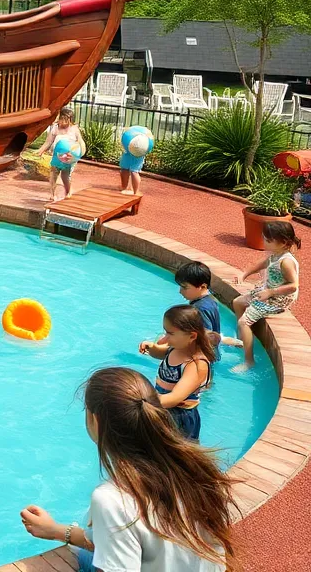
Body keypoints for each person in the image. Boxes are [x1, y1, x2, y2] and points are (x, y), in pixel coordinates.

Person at [20, 367, 233, 572]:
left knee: (85, 556)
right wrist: (56, 530)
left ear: (96, 420)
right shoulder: (199, 468)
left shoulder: (112, 499)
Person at [231, 221, 301, 372]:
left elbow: (294, 286)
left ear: (283, 242)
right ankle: (242, 339)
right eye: (264, 238)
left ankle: (249, 361)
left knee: (244, 322)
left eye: (268, 240)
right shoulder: (276, 254)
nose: (264, 242)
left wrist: (270, 292)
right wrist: (244, 274)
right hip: (267, 292)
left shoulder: (286, 261)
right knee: (237, 302)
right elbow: (260, 264)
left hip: (278, 300)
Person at [138, 305, 213, 441]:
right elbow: (160, 353)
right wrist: (151, 347)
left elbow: (174, 398)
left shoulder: (196, 364)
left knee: (182, 452)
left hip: (180, 417)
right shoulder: (176, 347)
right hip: (161, 407)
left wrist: (142, 400)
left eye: (170, 334)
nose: (165, 338)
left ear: (192, 336)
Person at [37, 107, 85, 202]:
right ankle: (52, 193)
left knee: (65, 175)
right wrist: (40, 151)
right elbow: (48, 142)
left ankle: (68, 191)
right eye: (61, 119)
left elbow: (81, 142)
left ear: (70, 121)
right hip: (57, 155)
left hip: (69, 157)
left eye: (65, 120)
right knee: (53, 173)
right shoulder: (55, 128)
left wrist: (81, 153)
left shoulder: (74, 129)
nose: (63, 122)